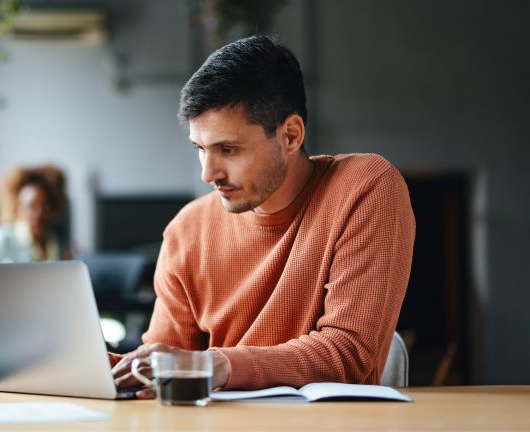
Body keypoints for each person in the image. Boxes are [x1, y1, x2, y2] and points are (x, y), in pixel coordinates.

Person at [111, 35, 415, 398]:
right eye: (200, 149)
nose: (209, 174)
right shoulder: (187, 229)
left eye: (228, 149)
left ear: (290, 135)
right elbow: (159, 369)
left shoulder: (364, 187)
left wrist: (218, 364)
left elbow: (348, 354)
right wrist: (106, 367)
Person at [0, 165, 69, 264]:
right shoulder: (0, 237)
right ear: (18, 208)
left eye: (45, 206)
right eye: (31, 206)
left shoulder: (56, 240)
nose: (39, 213)